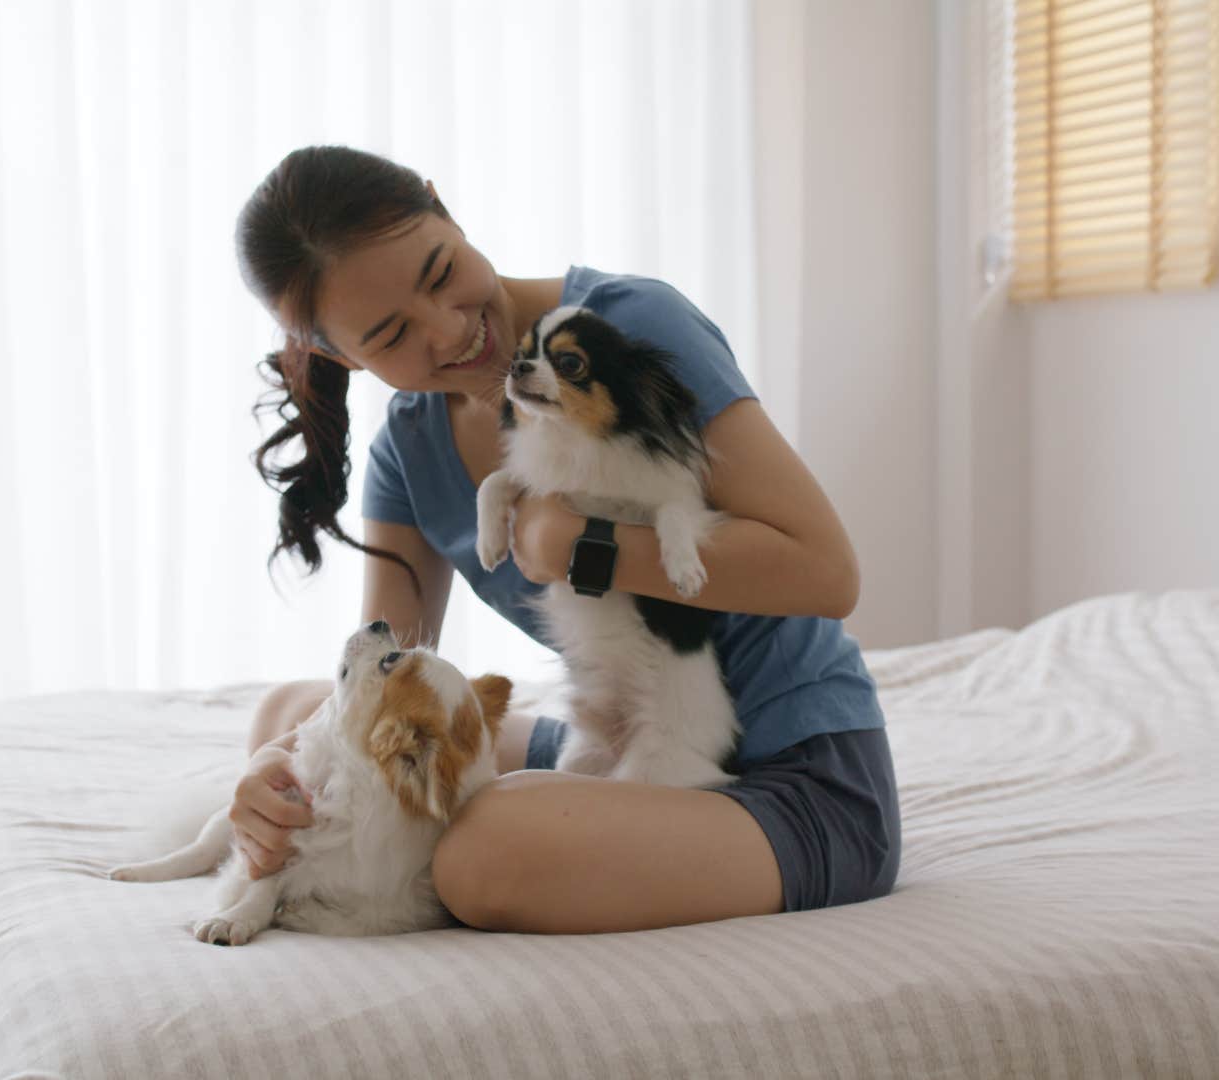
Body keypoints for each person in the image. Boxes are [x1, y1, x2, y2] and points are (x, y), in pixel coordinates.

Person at [231, 145, 898, 934]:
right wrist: (272, 780)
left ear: (445, 209)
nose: (449, 332)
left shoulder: (630, 328)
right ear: (343, 357)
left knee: (486, 852)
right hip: (620, 745)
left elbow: (828, 571)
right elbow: (380, 692)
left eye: (441, 273)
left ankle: (517, 846)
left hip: (795, 775)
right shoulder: (410, 450)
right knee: (289, 714)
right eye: (390, 334)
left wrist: (585, 543)